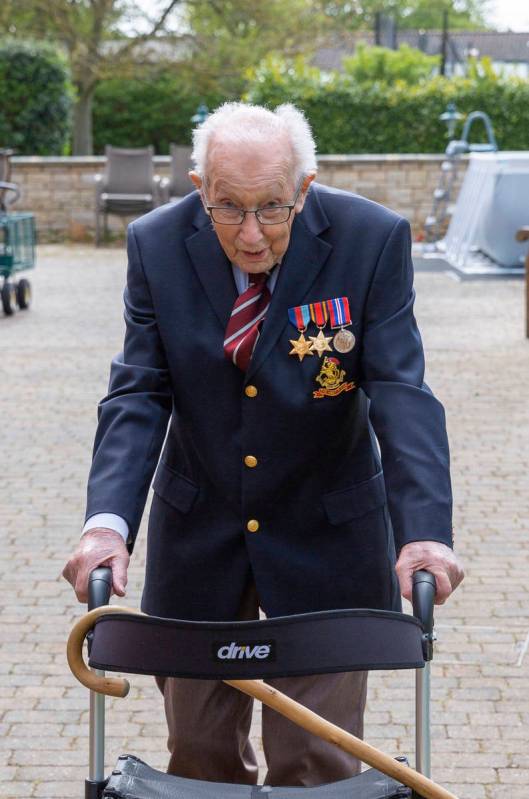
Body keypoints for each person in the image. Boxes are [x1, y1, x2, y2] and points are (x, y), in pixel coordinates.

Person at [63, 102, 463, 787]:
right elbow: (139, 391)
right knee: (199, 756)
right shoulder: (156, 245)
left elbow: (401, 390)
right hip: (201, 533)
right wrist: (107, 524)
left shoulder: (369, 239)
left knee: (316, 761)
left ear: (303, 188)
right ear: (198, 187)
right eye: (227, 207)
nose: (250, 234)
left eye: (271, 208)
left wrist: (423, 531)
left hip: (326, 531)